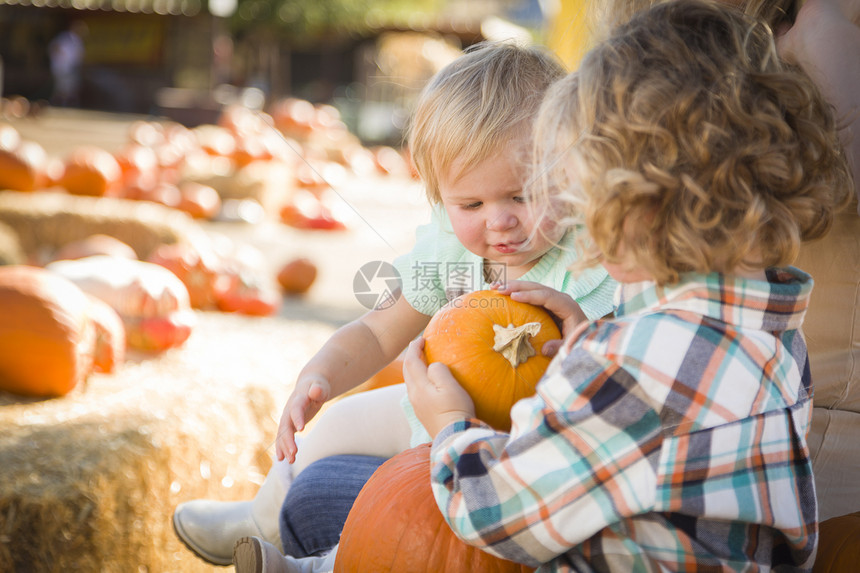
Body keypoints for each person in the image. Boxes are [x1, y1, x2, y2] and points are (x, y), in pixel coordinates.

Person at [403, 1, 853, 570]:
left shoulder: (633, 366)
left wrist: (450, 425)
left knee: (350, 506)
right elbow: (666, 445)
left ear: (635, 205)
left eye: (578, 193)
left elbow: (492, 510)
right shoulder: (775, 332)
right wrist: (588, 352)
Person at [173, 41, 619, 568]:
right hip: (429, 408)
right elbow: (378, 331)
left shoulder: (594, 262)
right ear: (440, 198)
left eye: (521, 196)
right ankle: (260, 516)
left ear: (571, 175)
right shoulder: (452, 252)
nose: (498, 220)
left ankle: (319, 565)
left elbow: (613, 380)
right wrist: (322, 372)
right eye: (471, 204)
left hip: (518, 451)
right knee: (336, 424)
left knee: (409, 525)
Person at [49, 21, 86, 107]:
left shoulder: (78, 41)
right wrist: (61, 61)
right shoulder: (64, 38)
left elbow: (79, 56)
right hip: (62, 67)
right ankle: (58, 104)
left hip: (73, 68)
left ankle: (68, 104)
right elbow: (54, 48)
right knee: (62, 87)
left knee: (71, 87)